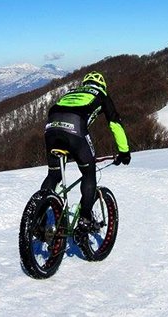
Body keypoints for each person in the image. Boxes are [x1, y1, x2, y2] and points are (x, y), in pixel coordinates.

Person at [41, 70, 131, 240]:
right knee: (88, 173)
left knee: (54, 175)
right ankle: (85, 220)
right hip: (75, 128)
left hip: (51, 128)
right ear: (102, 85)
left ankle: (39, 219)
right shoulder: (101, 94)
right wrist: (124, 151)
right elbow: (115, 123)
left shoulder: (72, 91)